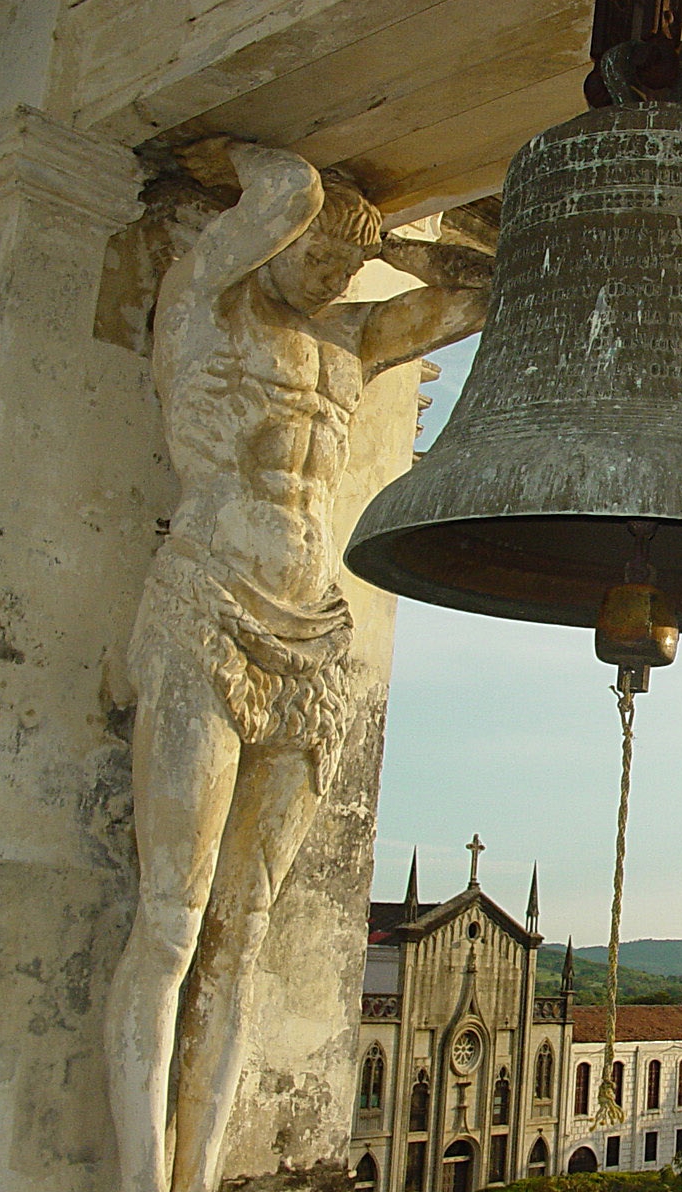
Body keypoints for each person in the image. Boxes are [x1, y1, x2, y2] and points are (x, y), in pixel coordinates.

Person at [103, 136, 494, 1192]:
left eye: (340, 266)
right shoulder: (206, 311)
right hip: (209, 612)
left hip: (315, 639)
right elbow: (279, 189)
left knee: (246, 930)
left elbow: (486, 287)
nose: (328, 275)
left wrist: (389, 242)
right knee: (170, 921)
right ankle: (141, 1177)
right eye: (315, 254)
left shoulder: (349, 346)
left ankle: (199, 1174)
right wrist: (249, 164)